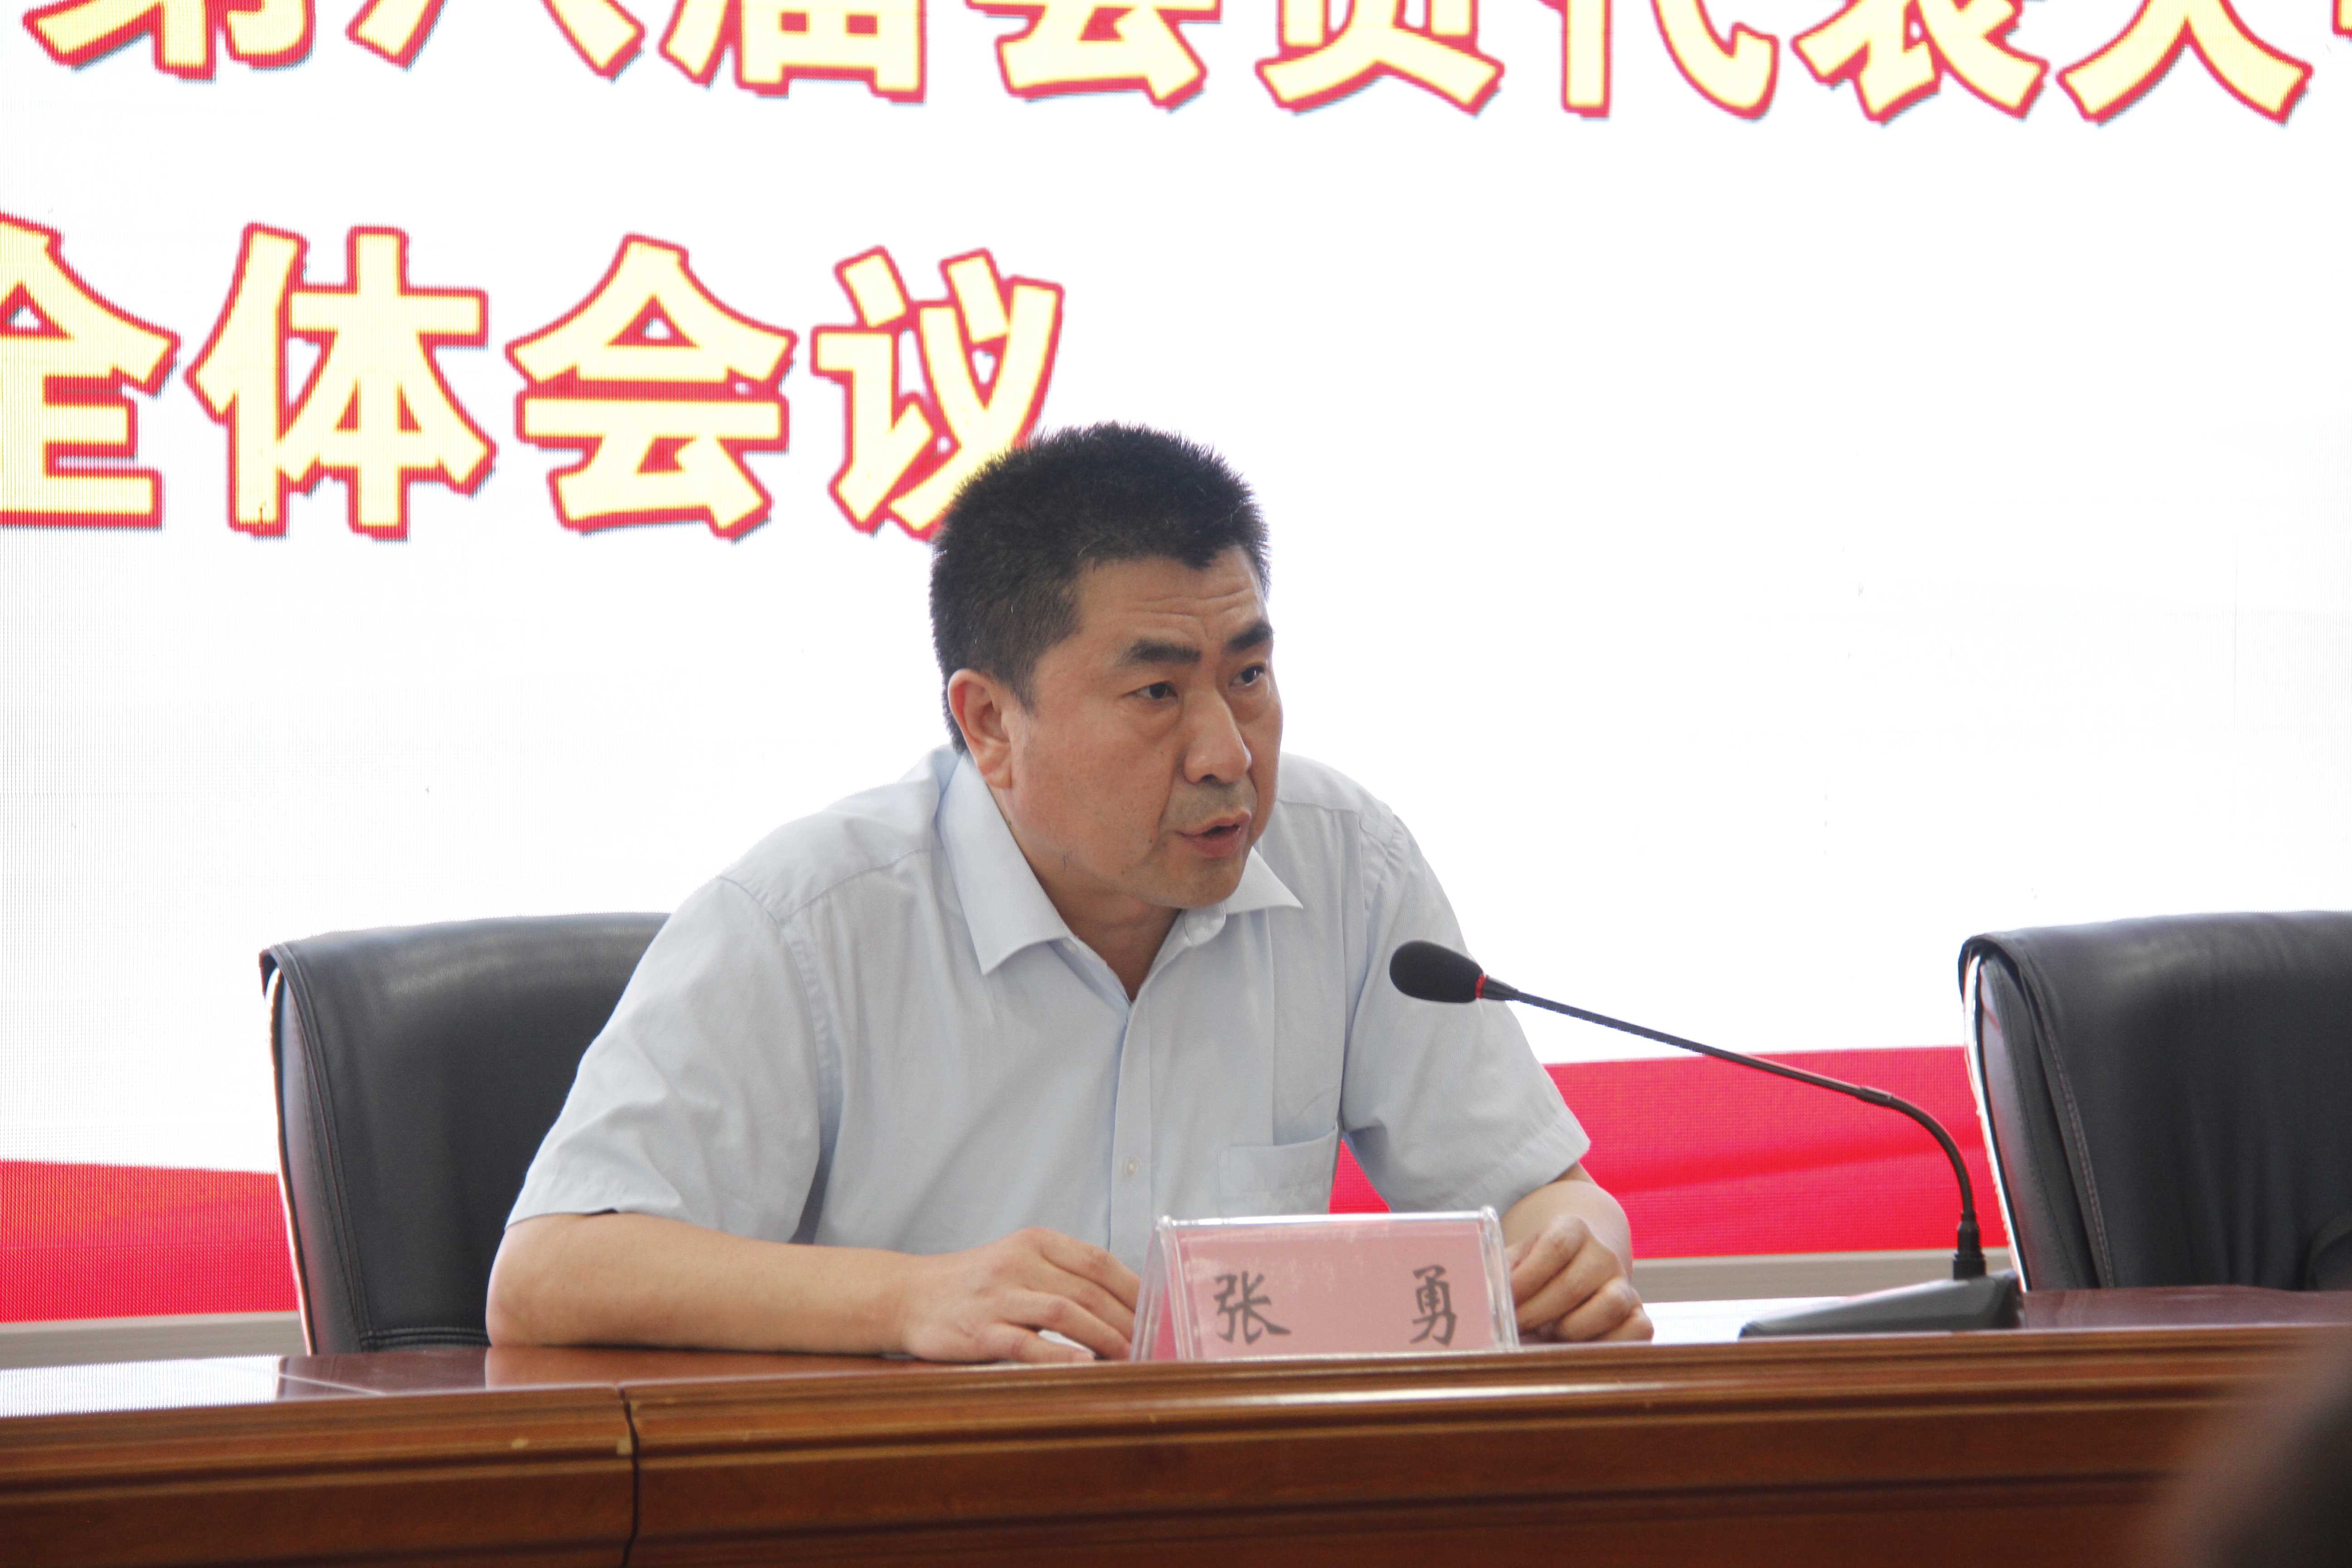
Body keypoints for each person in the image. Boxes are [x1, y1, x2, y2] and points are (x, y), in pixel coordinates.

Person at [486, 424, 1650, 1362]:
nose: (1227, 754)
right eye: (1157, 695)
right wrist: (908, 1300)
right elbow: (548, 1277)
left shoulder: (1348, 864)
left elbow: (1542, 1197)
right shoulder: (809, 923)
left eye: (1249, 675)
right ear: (990, 722)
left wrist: (1573, 1251)